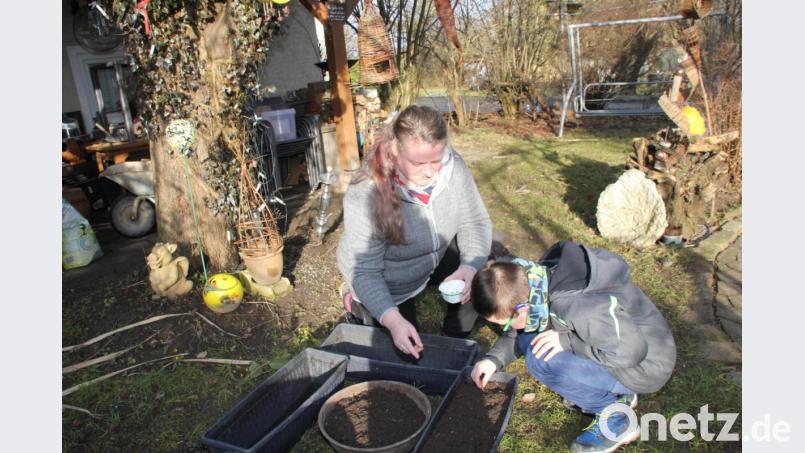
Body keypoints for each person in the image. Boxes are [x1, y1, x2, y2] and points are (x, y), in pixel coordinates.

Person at [470, 241, 676, 453]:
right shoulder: (534, 281)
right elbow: (521, 330)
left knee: (541, 359)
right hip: (617, 341)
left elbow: (631, 352)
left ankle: (616, 418)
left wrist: (566, 341)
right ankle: (617, 393)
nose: (504, 328)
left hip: (645, 367)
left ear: (522, 310)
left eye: (503, 324)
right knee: (529, 339)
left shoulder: (578, 308)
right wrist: (493, 360)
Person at [337, 105, 492, 359]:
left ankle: (454, 337)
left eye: (436, 160)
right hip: (390, 278)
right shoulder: (366, 193)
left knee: (484, 272)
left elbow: (474, 221)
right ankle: (357, 303)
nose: (430, 172)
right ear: (395, 150)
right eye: (418, 163)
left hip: (435, 255)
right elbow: (364, 270)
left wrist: (469, 267)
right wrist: (393, 319)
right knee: (408, 355)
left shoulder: (454, 167)